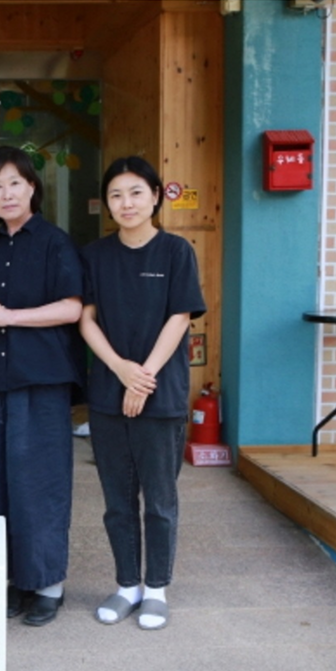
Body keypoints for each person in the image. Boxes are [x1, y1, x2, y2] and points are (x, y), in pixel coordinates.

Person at [79, 156, 206, 631]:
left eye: (136, 192)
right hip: (108, 392)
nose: (126, 203)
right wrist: (119, 369)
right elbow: (86, 318)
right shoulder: (94, 255)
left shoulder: (176, 251)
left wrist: (144, 377)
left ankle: (156, 589)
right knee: (117, 500)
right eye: (116, 194)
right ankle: (127, 585)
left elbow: (181, 317)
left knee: (158, 499)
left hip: (161, 393)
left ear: (155, 196)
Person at [0, 146, 84, 627]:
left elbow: (72, 308)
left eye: (15, 182)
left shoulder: (56, 243)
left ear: (32, 187)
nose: (7, 193)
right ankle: (15, 579)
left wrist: (11, 317)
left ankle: (48, 584)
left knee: (40, 482)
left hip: (41, 380)